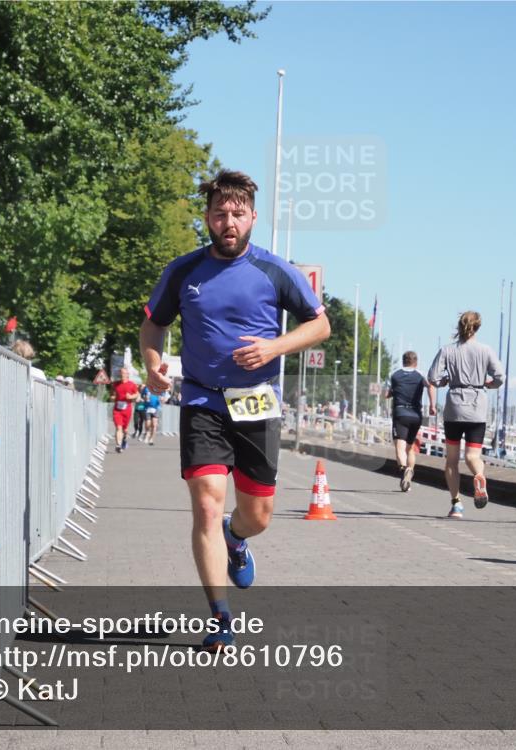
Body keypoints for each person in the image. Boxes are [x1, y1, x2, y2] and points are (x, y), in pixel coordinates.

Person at [139, 169, 330, 650]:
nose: (229, 222)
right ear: (207, 217)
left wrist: (273, 348)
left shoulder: (274, 270)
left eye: (238, 215)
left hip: (256, 400)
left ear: (253, 219)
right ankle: (220, 617)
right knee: (206, 504)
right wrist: (153, 365)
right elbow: (152, 327)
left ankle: (237, 538)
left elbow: (319, 326)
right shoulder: (183, 271)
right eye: (220, 214)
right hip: (202, 398)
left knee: (259, 514)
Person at [427, 311, 504, 519]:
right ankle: (479, 475)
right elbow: (499, 377)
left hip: (454, 407)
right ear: (477, 328)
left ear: (459, 327)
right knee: (472, 456)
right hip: (477, 407)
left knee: (451, 460)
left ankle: (456, 504)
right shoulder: (486, 350)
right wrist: (489, 383)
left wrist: (443, 381)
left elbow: (432, 377)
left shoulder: (447, 350)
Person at [383, 351, 435, 492]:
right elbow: (430, 386)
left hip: (400, 413)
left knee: (400, 447)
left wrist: (394, 392)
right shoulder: (420, 375)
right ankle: (409, 474)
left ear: (403, 361)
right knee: (410, 448)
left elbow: (386, 394)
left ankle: (404, 470)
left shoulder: (395, 375)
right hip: (415, 415)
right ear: (415, 362)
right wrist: (432, 405)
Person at [110, 368, 140, 453]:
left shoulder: (132, 384)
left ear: (127, 375)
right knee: (118, 427)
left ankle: (124, 439)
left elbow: (137, 394)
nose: (122, 375)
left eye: (123, 373)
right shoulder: (115, 384)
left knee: (125, 429)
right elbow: (112, 395)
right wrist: (113, 398)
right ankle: (118, 445)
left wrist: (131, 397)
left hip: (127, 409)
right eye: (120, 373)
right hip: (117, 409)